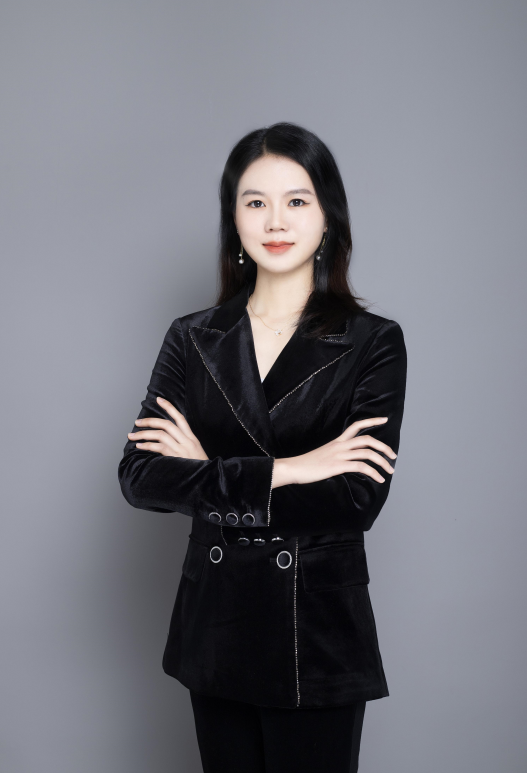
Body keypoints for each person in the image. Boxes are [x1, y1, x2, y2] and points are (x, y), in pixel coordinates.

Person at [118, 122, 407, 773]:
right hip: (214, 631)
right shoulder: (193, 337)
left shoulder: (372, 342)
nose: (275, 219)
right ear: (234, 219)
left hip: (315, 637)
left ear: (328, 216)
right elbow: (139, 476)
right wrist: (294, 468)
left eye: (296, 200)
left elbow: (355, 499)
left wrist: (207, 473)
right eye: (255, 201)